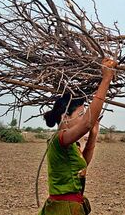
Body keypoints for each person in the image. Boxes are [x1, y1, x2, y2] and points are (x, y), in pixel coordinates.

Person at [38, 59, 117, 215]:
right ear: (65, 116)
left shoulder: (71, 144)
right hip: (63, 210)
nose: (83, 118)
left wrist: (93, 135)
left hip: (70, 208)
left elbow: (82, 165)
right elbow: (87, 123)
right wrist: (106, 79)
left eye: (83, 114)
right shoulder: (59, 139)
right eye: (80, 114)